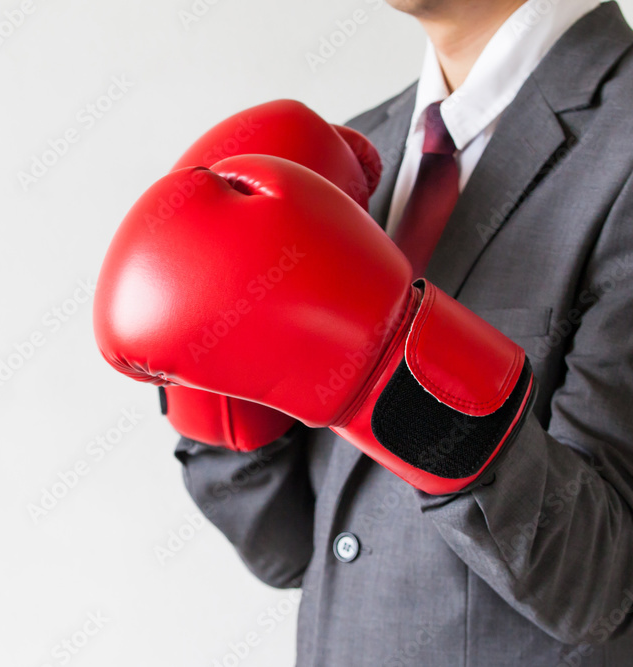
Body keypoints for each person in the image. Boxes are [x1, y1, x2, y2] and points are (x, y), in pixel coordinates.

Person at [94, 0, 633, 664]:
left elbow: (604, 585)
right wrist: (212, 398)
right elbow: (286, 547)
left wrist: (406, 395)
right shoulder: (347, 153)